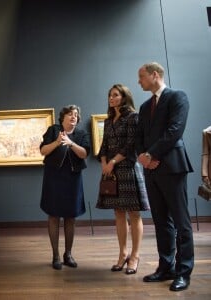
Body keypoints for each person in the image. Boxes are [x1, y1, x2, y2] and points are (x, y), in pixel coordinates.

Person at [135, 62, 194, 292]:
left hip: (172, 167)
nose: (139, 81)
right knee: (161, 222)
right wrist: (143, 156)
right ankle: (166, 267)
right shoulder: (143, 106)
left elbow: (175, 130)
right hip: (151, 169)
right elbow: (139, 135)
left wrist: (151, 154)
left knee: (181, 222)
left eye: (142, 76)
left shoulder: (177, 97)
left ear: (155, 75)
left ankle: (183, 272)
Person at [96, 84, 150, 275]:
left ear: (124, 97)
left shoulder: (133, 117)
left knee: (134, 214)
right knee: (118, 212)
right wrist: (104, 163)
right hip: (111, 171)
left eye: (115, 95)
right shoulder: (109, 120)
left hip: (128, 168)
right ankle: (123, 254)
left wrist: (112, 161)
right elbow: (103, 146)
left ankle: (135, 256)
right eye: (110, 95)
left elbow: (130, 146)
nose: (111, 98)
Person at [40, 105, 90, 270]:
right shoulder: (53, 130)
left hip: (73, 179)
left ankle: (68, 254)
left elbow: (84, 153)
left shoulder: (81, 134)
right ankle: (55, 255)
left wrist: (70, 143)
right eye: (70, 114)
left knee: (71, 217)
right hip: (53, 178)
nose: (73, 117)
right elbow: (43, 151)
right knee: (53, 216)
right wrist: (57, 142)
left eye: (76, 114)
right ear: (62, 118)